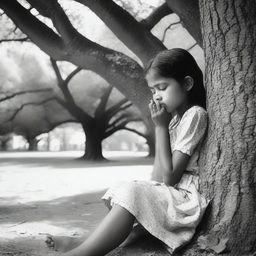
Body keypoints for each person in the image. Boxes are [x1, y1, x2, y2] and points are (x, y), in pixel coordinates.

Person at [45, 48, 211, 256]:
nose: (157, 97)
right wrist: (162, 127)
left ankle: (82, 252)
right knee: (129, 189)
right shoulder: (173, 121)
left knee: (133, 192)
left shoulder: (195, 115)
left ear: (187, 84)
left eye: (162, 87)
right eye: (153, 91)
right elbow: (158, 177)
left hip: (184, 202)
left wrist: (159, 128)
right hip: (171, 193)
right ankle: (84, 242)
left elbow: (169, 178)